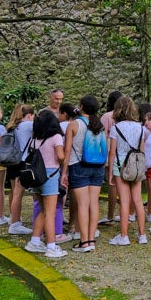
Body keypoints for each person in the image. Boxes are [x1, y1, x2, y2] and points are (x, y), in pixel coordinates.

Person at [22, 109, 67, 258]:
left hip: (37, 176)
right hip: (51, 176)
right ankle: (51, 246)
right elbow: (60, 156)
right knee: (50, 213)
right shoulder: (56, 137)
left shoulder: (35, 138)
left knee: (43, 209)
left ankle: (35, 241)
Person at [65, 95, 105, 252]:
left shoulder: (74, 124)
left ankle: (83, 241)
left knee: (82, 204)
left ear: (81, 107)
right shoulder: (99, 124)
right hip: (98, 167)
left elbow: (67, 149)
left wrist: (64, 171)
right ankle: (91, 239)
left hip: (78, 165)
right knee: (93, 203)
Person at [107, 95, 148, 245]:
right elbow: (142, 151)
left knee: (124, 201)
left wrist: (111, 172)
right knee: (137, 200)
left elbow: (112, 152)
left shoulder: (115, 128)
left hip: (121, 166)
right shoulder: (141, 128)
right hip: (136, 165)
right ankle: (142, 234)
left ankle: (124, 236)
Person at [5, 103, 37, 235]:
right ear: (29, 115)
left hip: (12, 161)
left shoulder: (11, 126)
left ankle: (14, 218)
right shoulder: (27, 125)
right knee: (19, 193)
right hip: (22, 162)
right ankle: (15, 224)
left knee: (14, 192)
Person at [101, 90, 123, 227]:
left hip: (111, 151)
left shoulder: (107, 116)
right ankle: (127, 213)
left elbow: (103, 136)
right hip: (126, 153)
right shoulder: (128, 118)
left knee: (112, 183)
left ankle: (110, 214)